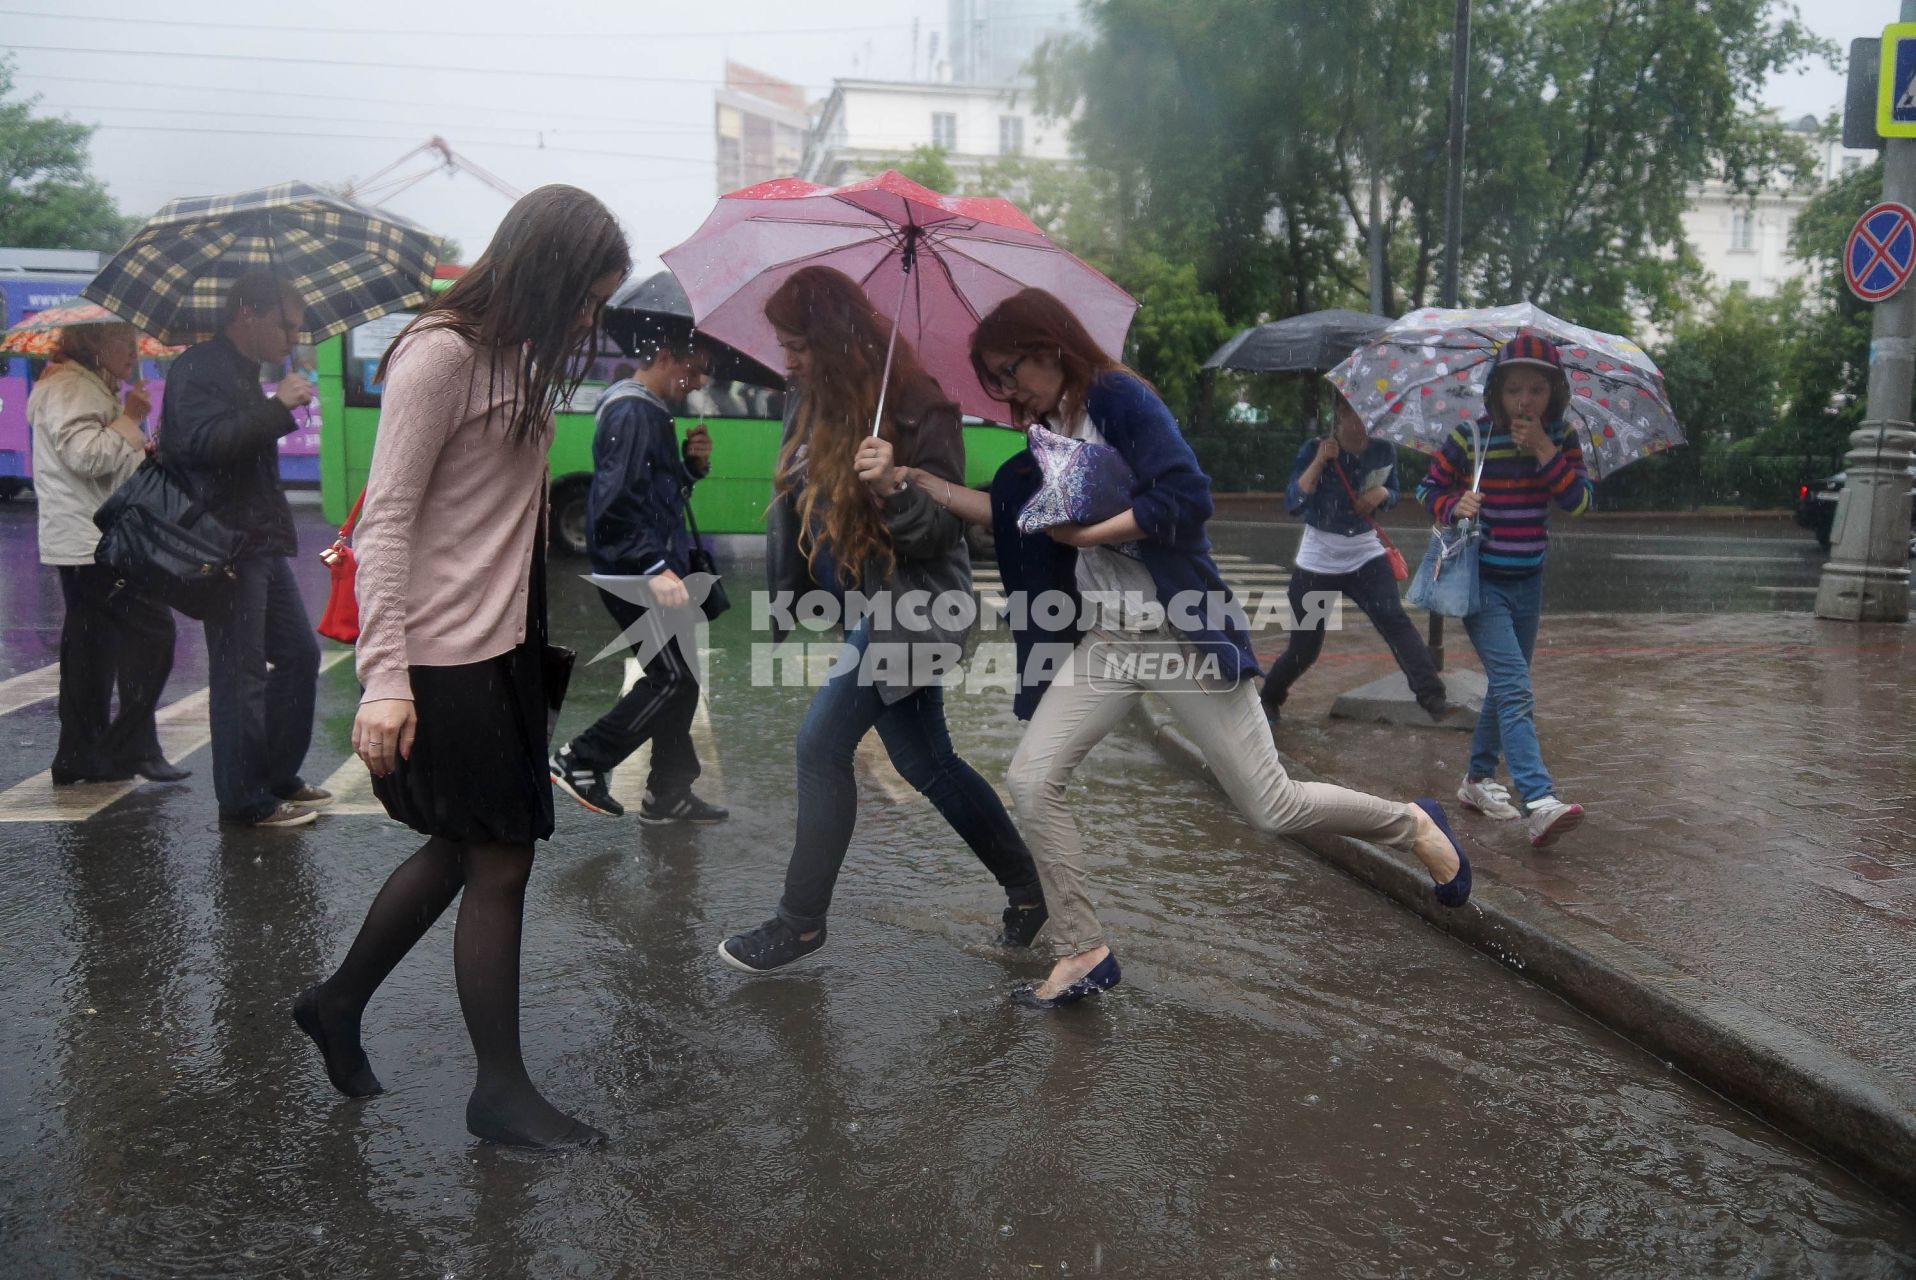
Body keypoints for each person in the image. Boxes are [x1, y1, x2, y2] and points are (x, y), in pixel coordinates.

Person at [902, 288, 1472, 1010]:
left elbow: (1186, 496)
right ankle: (1082, 950)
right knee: (1031, 778)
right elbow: (1017, 514)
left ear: (1049, 347)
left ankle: (1413, 822)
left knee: (1272, 806)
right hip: (1109, 641)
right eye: (995, 380)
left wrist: (1086, 536)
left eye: (1010, 371)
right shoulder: (1049, 427)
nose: (1006, 390)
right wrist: (920, 482)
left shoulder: (1116, 399)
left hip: (1178, 633)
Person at [292, 185, 630, 1149]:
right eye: (584, 295)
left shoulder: (515, 359)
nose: (589, 318)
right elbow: (388, 518)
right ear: (544, 271)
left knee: (460, 843)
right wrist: (386, 679)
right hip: (444, 654)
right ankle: (499, 1092)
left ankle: (338, 1001)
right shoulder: (439, 354)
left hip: (505, 644)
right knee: (497, 859)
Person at [716, 265, 1047, 974]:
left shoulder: (920, 404)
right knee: (927, 761)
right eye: (783, 345)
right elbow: (799, 501)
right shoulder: (811, 396)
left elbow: (939, 535)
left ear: (831, 339)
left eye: (797, 343)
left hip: (918, 608)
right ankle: (1028, 888)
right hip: (870, 605)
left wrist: (895, 484)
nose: (789, 359)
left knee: (820, 745)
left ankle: (800, 923)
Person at [158, 271, 327, 828]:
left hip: (257, 540)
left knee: (300, 655)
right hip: (222, 544)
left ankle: (277, 775)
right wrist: (277, 408)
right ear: (248, 313)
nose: (292, 340)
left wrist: (272, 407)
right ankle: (244, 799)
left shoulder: (240, 369)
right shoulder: (199, 367)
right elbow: (200, 446)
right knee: (240, 672)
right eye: (287, 326)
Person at [1417, 331, 1591, 848]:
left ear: (1552, 394)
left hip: (1529, 581)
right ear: (1497, 391)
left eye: (1536, 390)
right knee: (1515, 688)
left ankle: (1475, 781)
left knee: (1504, 686)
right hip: (1482, 583)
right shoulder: (1472, 438)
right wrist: (1454, 505)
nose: (1525, 400)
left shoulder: (1561, 438)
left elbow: (1579, 502)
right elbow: (1428, 487)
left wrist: (1543, 451)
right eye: (1515, 389)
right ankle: (1539, 800)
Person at [550, 333, 727, 822]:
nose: (700, 380)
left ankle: (668, 792)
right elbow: (614, 506)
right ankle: (581, 760)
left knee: (681, 680)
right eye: (695, 368)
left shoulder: (646, 409)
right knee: (671, 680)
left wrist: (690, 468)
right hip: (637, 571)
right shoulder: (634, 412)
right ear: (666, 356)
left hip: (645, 566)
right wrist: (653, 567)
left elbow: (653, 495)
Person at [27, 322, 186, 785]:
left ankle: (83, 755)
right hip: (92, 542)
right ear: (94, 344)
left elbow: (101, 460)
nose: (135, 352)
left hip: (89, 538)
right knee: (152, 633)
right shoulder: (71, 387)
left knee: (91, 650)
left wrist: (139, 445)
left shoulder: (82, 384)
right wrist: (131, 418)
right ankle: (127, 745)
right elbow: (88, 458)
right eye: (125, 342)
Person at [1260, 387, 1447, 726]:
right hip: (1317, 561)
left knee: (1394, 620)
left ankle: (1432, 695)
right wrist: (1319, 461)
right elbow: (1294, 502)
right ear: (1341, 414)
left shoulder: (1382, 449)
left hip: (1365, 554)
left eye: (1372, 415)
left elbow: (1393, 492)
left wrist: (1381, 494)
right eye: (1358, 414)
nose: (1365, 423)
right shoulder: (1314, 449)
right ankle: (1269, 698)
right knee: (1305, 650)